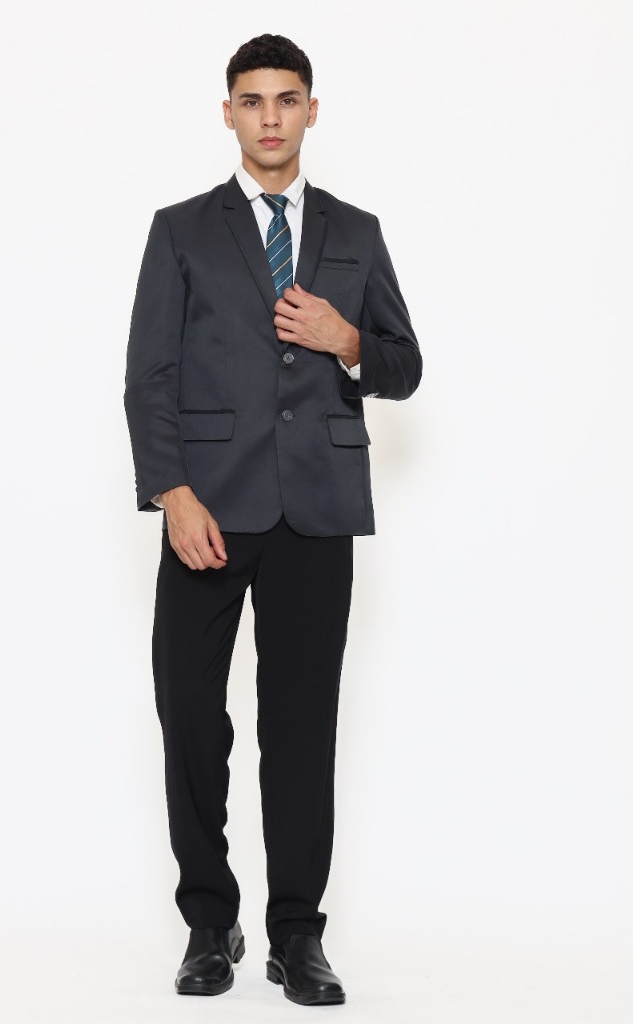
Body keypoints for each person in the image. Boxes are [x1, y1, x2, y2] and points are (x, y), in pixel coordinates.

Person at [123, 33, 421, 1006]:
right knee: (190, 717)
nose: (269, 117)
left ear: (311, 111)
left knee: (299, 728)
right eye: (251, 101)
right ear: (228, 114)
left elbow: (404, 365)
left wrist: (347, 340)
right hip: (207, 508)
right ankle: (209, 923)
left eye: (286, 99)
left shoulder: (356, 231)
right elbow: (149, 376)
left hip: (317, 511)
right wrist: (172, 493)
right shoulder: (180, 230)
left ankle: (297, 933)